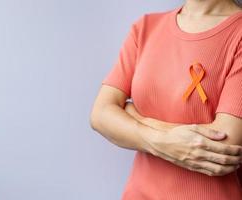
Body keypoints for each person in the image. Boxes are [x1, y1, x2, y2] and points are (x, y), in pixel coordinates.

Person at [90, 0, 242, 199]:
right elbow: (100, 115)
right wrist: (159, 140)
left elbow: (223, 145)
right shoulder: (145, 28)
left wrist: (135, 119)